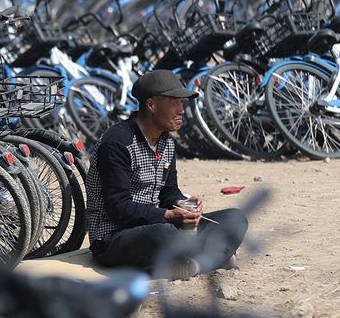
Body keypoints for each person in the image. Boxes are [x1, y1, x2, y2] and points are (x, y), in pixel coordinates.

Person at [85, 70, 248, 276]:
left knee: (235, 218)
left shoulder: (166, 142)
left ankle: (193, 262)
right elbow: (118, 207)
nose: (181, 110)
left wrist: (183, 204)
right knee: (165, 232)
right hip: (114, 237)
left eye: (182, 103)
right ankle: (214, 257)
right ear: (151, 105)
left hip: (160, 223)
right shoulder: (118, 142)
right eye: (175, 103)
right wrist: (168, 215)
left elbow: (168, 192)